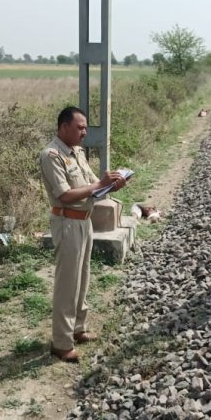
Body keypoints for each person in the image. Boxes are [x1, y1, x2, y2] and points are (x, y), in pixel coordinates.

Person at [40, 107, 126, 362]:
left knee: (82, 278)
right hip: (67, 223)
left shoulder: (77, 152)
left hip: (84, 222)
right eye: (79, 127)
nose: (84, 132)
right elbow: (65, 195)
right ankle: (61, 343)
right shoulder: (51, 155)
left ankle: (77, 328)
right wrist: (99, 184)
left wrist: (110, 184)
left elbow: (91, 188)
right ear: (63, 127)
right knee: (67, 284)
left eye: (85, 127)